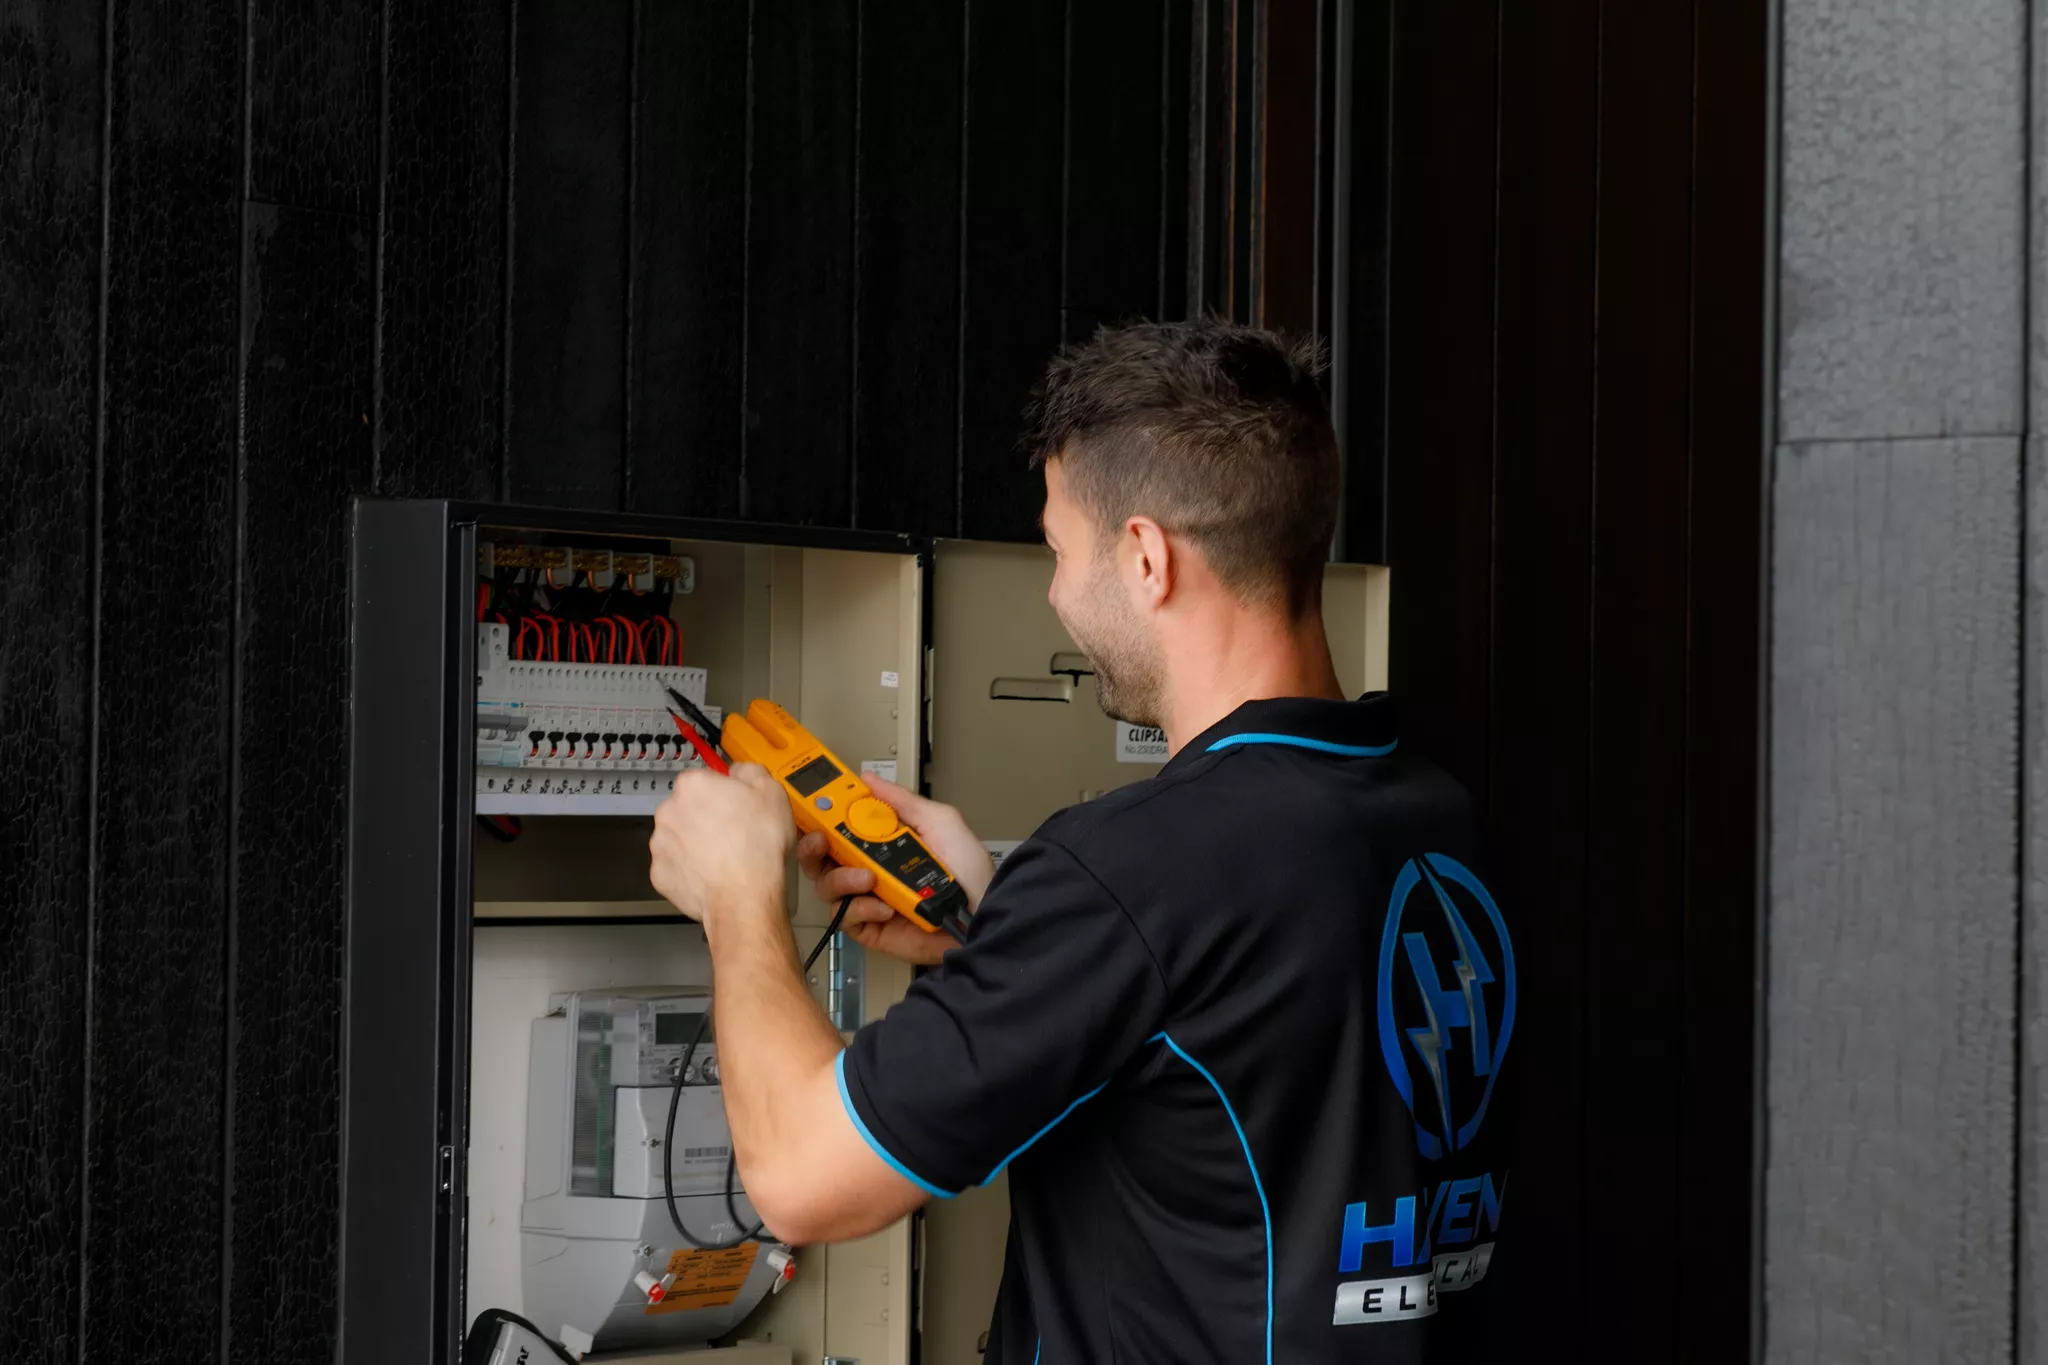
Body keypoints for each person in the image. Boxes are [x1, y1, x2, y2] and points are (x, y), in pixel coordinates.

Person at [648, 319, 1517, 1363]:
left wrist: (735, 894)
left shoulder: (1133, 871)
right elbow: (1237, 1055)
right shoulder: (1432, 815)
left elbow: (798, 1178)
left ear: (1145, 557)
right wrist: (999, 928)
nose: (1055, 590)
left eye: (1058, 549)